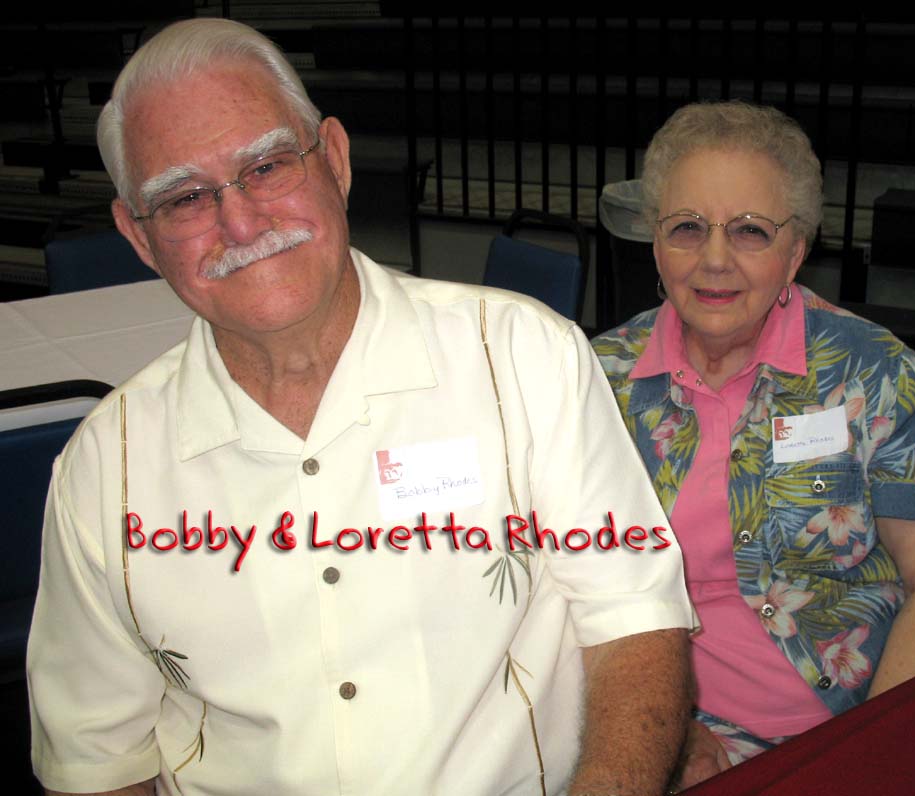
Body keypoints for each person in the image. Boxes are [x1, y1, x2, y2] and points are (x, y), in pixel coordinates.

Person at [27, 18, 696, 796]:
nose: (240, 223)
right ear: (138, 237)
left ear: (336, 160)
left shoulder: (523, 358)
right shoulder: (104, 471)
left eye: (266, 166)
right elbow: (99, 760)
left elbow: (634, 621)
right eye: (184, 198)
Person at [592, 100, 915, 790]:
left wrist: (870, 755)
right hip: (665, 725)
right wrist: (666, 730)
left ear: (796, 251)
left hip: (855, 716)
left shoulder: (876, 374)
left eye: (750, 231)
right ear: (655, 243)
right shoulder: (595, 382)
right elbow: (556, 592)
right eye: (687, 228)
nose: (714, 259)